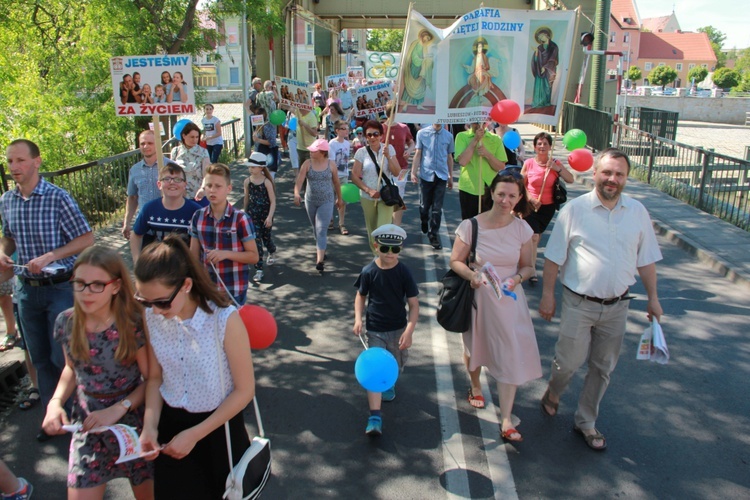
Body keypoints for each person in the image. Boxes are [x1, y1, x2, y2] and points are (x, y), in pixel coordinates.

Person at [538, 148, 663, 451]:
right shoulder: (574, 210)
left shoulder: (637, 212)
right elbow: (554, 259)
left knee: (602, 368)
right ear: (594, 174)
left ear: (626, 179)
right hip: (578, 303)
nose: (612, 179)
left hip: (618, 306)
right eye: (607, 172)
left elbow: (645, 260)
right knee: (567, 363)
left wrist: (653, 298)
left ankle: (586, 423)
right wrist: (547, 296)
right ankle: (554, 392)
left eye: (619, 174)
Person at [134, 235, 255, 499]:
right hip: (170, 427)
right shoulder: (152, 317)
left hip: (217, 431)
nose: (155, 311)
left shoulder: (224, 320)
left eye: (162, 302)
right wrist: (150, 426)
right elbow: (155, 378)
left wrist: (195, 434)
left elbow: (245, 391)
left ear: (186, 285)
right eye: (146, 301)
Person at [0, 139, 94, 442]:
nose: (14, 167)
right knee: (38, 357)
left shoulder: (57, 198)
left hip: (60, 287)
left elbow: (86, 238)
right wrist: (3, 253)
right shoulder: (7, 201)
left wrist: (52, 255)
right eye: (10, 162)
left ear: (37, 162)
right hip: (26, 290)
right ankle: (52, 419)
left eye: (20, 161)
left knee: (61, 357)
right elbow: (9, 238)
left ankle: (73, 413)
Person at [42, 246, 154, 498]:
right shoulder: (66, 322)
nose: (86, 292)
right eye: (80, 283)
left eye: (96, 285)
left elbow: (151, 381)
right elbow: (71, 369)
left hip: (130, 424)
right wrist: (56, 402)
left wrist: (119, 408)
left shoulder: (134, 322)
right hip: (88, 424)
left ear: (115, 286)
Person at [450, 172, 540, 441]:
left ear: (520, 198)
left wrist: (517, 278)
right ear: (491, 193)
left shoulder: (523, 228)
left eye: (512, 195)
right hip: (479, 299)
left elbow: (528, 266)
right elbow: (456, 261)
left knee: (509, 352)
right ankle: (475, 383)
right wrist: (472, 276)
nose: (505, 200)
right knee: (474, 347)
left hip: (509, 301)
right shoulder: (470, 226)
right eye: (501, 194)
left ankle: (506, 419)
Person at [353, 224, 419, 436]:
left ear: (401, 248)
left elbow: (414, 304)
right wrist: (358, 319)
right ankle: (374, 417)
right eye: (385, 248)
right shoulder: (368, 271)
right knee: (375, 369)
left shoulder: (404, 273)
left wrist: (409, 330)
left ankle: (389, 381)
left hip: (398, 329)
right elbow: (360, 296)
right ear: (375, 246)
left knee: (396, 365)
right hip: (375, 330)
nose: (390, 254)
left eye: (395, 249)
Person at [190, 163, 258, 305]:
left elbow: (253, 256)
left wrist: (225, 254)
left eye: (218, 186)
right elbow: (193, 255)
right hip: (206, 290)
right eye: (208, 186)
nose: (212, 190)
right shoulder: (198, 216)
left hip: (232, 289)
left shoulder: (241, 219)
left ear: (229, 189)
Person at [521, 132, 574, 283]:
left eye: (545, 144)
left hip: (547, 207)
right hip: (530, 206)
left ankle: (525, 258)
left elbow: (570, 179)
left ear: (550, 146)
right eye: (539, 143)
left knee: (536, 238)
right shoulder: (529, 163)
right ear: (535, 146)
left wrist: (557, 169)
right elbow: (520, 183)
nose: (542, 146)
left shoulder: (555, 163)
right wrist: (530, 198)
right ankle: (531, 271)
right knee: (534, 237)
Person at [130, 164, 201, 264]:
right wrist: (137, 261)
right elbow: (136, 235)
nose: (172, 182)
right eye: (167, 179)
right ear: (159, 184)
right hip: (157, 266)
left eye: (177, 179)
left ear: (185, 185)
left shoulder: (196, 211)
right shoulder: (149, 209)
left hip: (185, 268)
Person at [351, 120, 401, 254]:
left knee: (383, 228)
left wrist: (388, 157)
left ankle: (384, 255)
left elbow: (396, 172)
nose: (372, 137)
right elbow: (354, 176)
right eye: (369, 135)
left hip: (386, 196)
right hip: (368, 197)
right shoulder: (361, 152)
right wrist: (368, 190)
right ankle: (376, 255)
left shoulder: (388, 149)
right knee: (372, 229)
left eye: (375, 134)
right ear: (365, 136)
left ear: (381, 135)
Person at [294, 139, 344, 272]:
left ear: (322, 152)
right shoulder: (307, 163)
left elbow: (337, 183)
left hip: (327, 201)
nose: (310, 152)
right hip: (310, 200)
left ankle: (319, 261)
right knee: (315, 228)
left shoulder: (331, 164)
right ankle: (321, 247)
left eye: (313, 150)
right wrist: (296, 193)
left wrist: (339, 199)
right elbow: (299, 180)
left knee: (321, 229)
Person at [123, 130, 178, 239]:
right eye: (143, 143)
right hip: (145, 224)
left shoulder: (172, 167)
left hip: (167, 222)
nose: (146, 146)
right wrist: (127, 222)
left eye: (150, 143)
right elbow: (133, 197)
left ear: (157, 144)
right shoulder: (135, 170)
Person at [410, 123, 455, 249]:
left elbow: (449, 157)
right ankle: (424, 220)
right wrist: (413, 172)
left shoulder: (449, 136)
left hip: (441, 175)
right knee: (424, 206)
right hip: (426, 175)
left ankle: (433, 234)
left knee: (437, 208)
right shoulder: (422, 133)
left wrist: (451, 176)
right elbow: (418, 153)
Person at [455, 123, 507, 220]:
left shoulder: (495, 139)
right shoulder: (462, 136)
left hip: (489, 189)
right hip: (469, 188)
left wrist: (487, 154)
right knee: (469, 225)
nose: (479, 125)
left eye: (482, 122)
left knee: (488, 224)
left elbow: (500, 166)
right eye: (476, 122)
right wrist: (475, 140)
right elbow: (463, 161)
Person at [242, 153, 277, 283]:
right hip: (252, 216)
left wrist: (269, 217)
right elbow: (246, 199)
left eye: (254, 166)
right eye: (250, 166)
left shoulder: (267, 182)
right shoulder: (247, 181)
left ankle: (272, 251)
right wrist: (244, 214)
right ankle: (259, 269)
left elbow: (273, 201)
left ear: (261, 167)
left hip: (265, 215)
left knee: (266, 238)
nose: (251, 169)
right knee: (256, 242)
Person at [382, 102, 415, 227]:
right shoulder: (381, 129)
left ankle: (396, 227)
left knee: (399, 197)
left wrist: (409, 150)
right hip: (384, 169)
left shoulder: (404, 128)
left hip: (402, 168)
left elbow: (412, 143)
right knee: (385, 196)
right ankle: (385, 223)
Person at [171, 122, 210, 205]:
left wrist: (203, 189)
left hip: (198, 195)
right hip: (180, 195)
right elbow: (171, 173)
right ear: (184, 136)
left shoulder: (203, 152)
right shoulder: (176, 151)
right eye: (192, 137)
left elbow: (206, 174)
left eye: (197, 137)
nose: (194, 140)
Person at [401, 29, 436, 111]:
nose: (427, 40)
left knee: (422, 85)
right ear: (422, 36)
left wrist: (428, 59)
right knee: (412, 85)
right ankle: (406, 104)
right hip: (415, 67)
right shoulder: (415, 43)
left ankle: (419, 104)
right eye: (426, 38)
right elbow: (414, 56)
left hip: (422, 68)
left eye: (428, 39)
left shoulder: (425, 46)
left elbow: (426, 56)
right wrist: (423, 61)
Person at [328, 120, 352, 235]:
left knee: (343, 200)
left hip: (344, 175)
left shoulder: (347, 143)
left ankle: (341, 223)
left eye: (347, 128)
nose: (346, 130)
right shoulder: (332, 144)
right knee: (331, 199)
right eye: (343, 128)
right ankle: (330, 219)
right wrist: (334, 176)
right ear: (337, 131)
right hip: (333, 176)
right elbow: (331, 161)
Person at [531, 27, 559, 109]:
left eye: (542, 36)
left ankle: (546, 102)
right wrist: (536, 53)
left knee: (547, 87)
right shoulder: (539, 47)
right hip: (539, 71)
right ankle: (537, 103)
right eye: (539, 38)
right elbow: (535, 60)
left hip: (549, 70)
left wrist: (546, 67)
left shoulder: (553, 47)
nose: (541, 39)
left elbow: (553, 59)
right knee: (539, 86)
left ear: (547, 35)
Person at [252, 108, 279, 180]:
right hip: (260, 154)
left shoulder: (267, 126)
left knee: (269, 177)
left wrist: (258, 140)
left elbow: (271, 142)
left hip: (268, 154)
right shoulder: (258, 126)